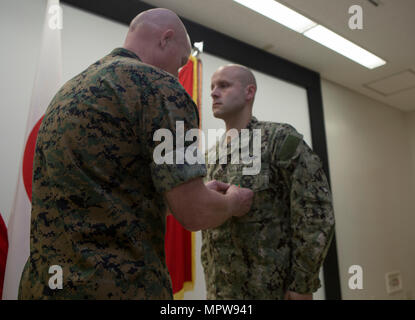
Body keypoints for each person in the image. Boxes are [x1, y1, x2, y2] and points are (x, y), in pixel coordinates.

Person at [18, 9, 253, 300]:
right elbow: (195, 212)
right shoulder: (161, 89)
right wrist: (232, 203)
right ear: (166, 39)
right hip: (117, 287)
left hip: (43, 286)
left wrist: (191, 190)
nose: (178, 73)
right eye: (181, 63)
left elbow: (107, 189)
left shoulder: (68, 91)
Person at [201, 64, 335, 300]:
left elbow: (316, 213)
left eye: (223, 85)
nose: (213, 92)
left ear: (249, 92)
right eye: (212, 86)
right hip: (220, 292)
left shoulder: (279, 140)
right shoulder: (210, 157)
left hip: (270, 291)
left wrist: (302, 284)